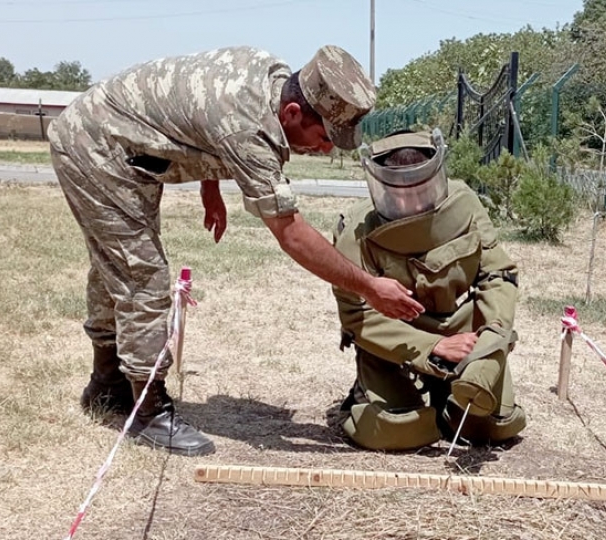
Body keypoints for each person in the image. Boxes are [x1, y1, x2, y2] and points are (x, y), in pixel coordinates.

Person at [47, 45, 425, 457]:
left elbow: (200, 120)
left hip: (120, 141)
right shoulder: (248, 128)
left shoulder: (269, 78)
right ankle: (148, 409)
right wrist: (369, 287)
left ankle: (106, 385)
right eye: (323, 137)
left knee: (115, 265)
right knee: (139, 273)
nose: (326, 150)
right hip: (98, 147)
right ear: (293, 113)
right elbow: (292, 233)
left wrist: (211, 185)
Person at [331, 129, 527, 451]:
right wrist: (434, 347)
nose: (410, 202)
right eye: (398, 192)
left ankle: (450, 398)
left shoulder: (464, 204)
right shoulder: (356, 229)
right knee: (396, 430)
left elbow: (498, 276)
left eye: (420, 189)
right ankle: (389, 393)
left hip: (462, 332)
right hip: (393, 339)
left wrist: (492, 336)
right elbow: (356, 316)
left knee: (494, 427)